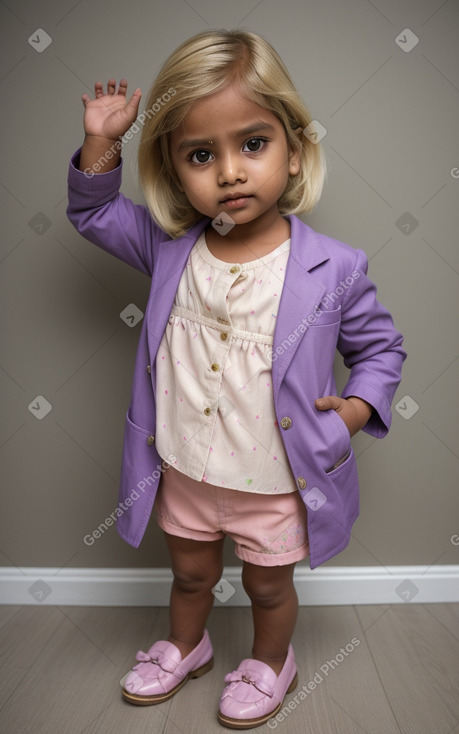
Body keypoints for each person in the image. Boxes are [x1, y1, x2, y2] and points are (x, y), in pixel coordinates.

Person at [67, 28, 406, 729]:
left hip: (276, 479)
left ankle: (268, 663)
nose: (228, 172)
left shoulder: (332, 267)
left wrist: (350, 410)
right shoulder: (169, 249)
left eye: (252, 144)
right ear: (174, 167)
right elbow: (93, 211)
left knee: (266, 584)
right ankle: (184, 647)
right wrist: (103, 142)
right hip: (184, 468)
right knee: (189, 574)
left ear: (293, 147)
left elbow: (380, 350)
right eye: (200, 154)